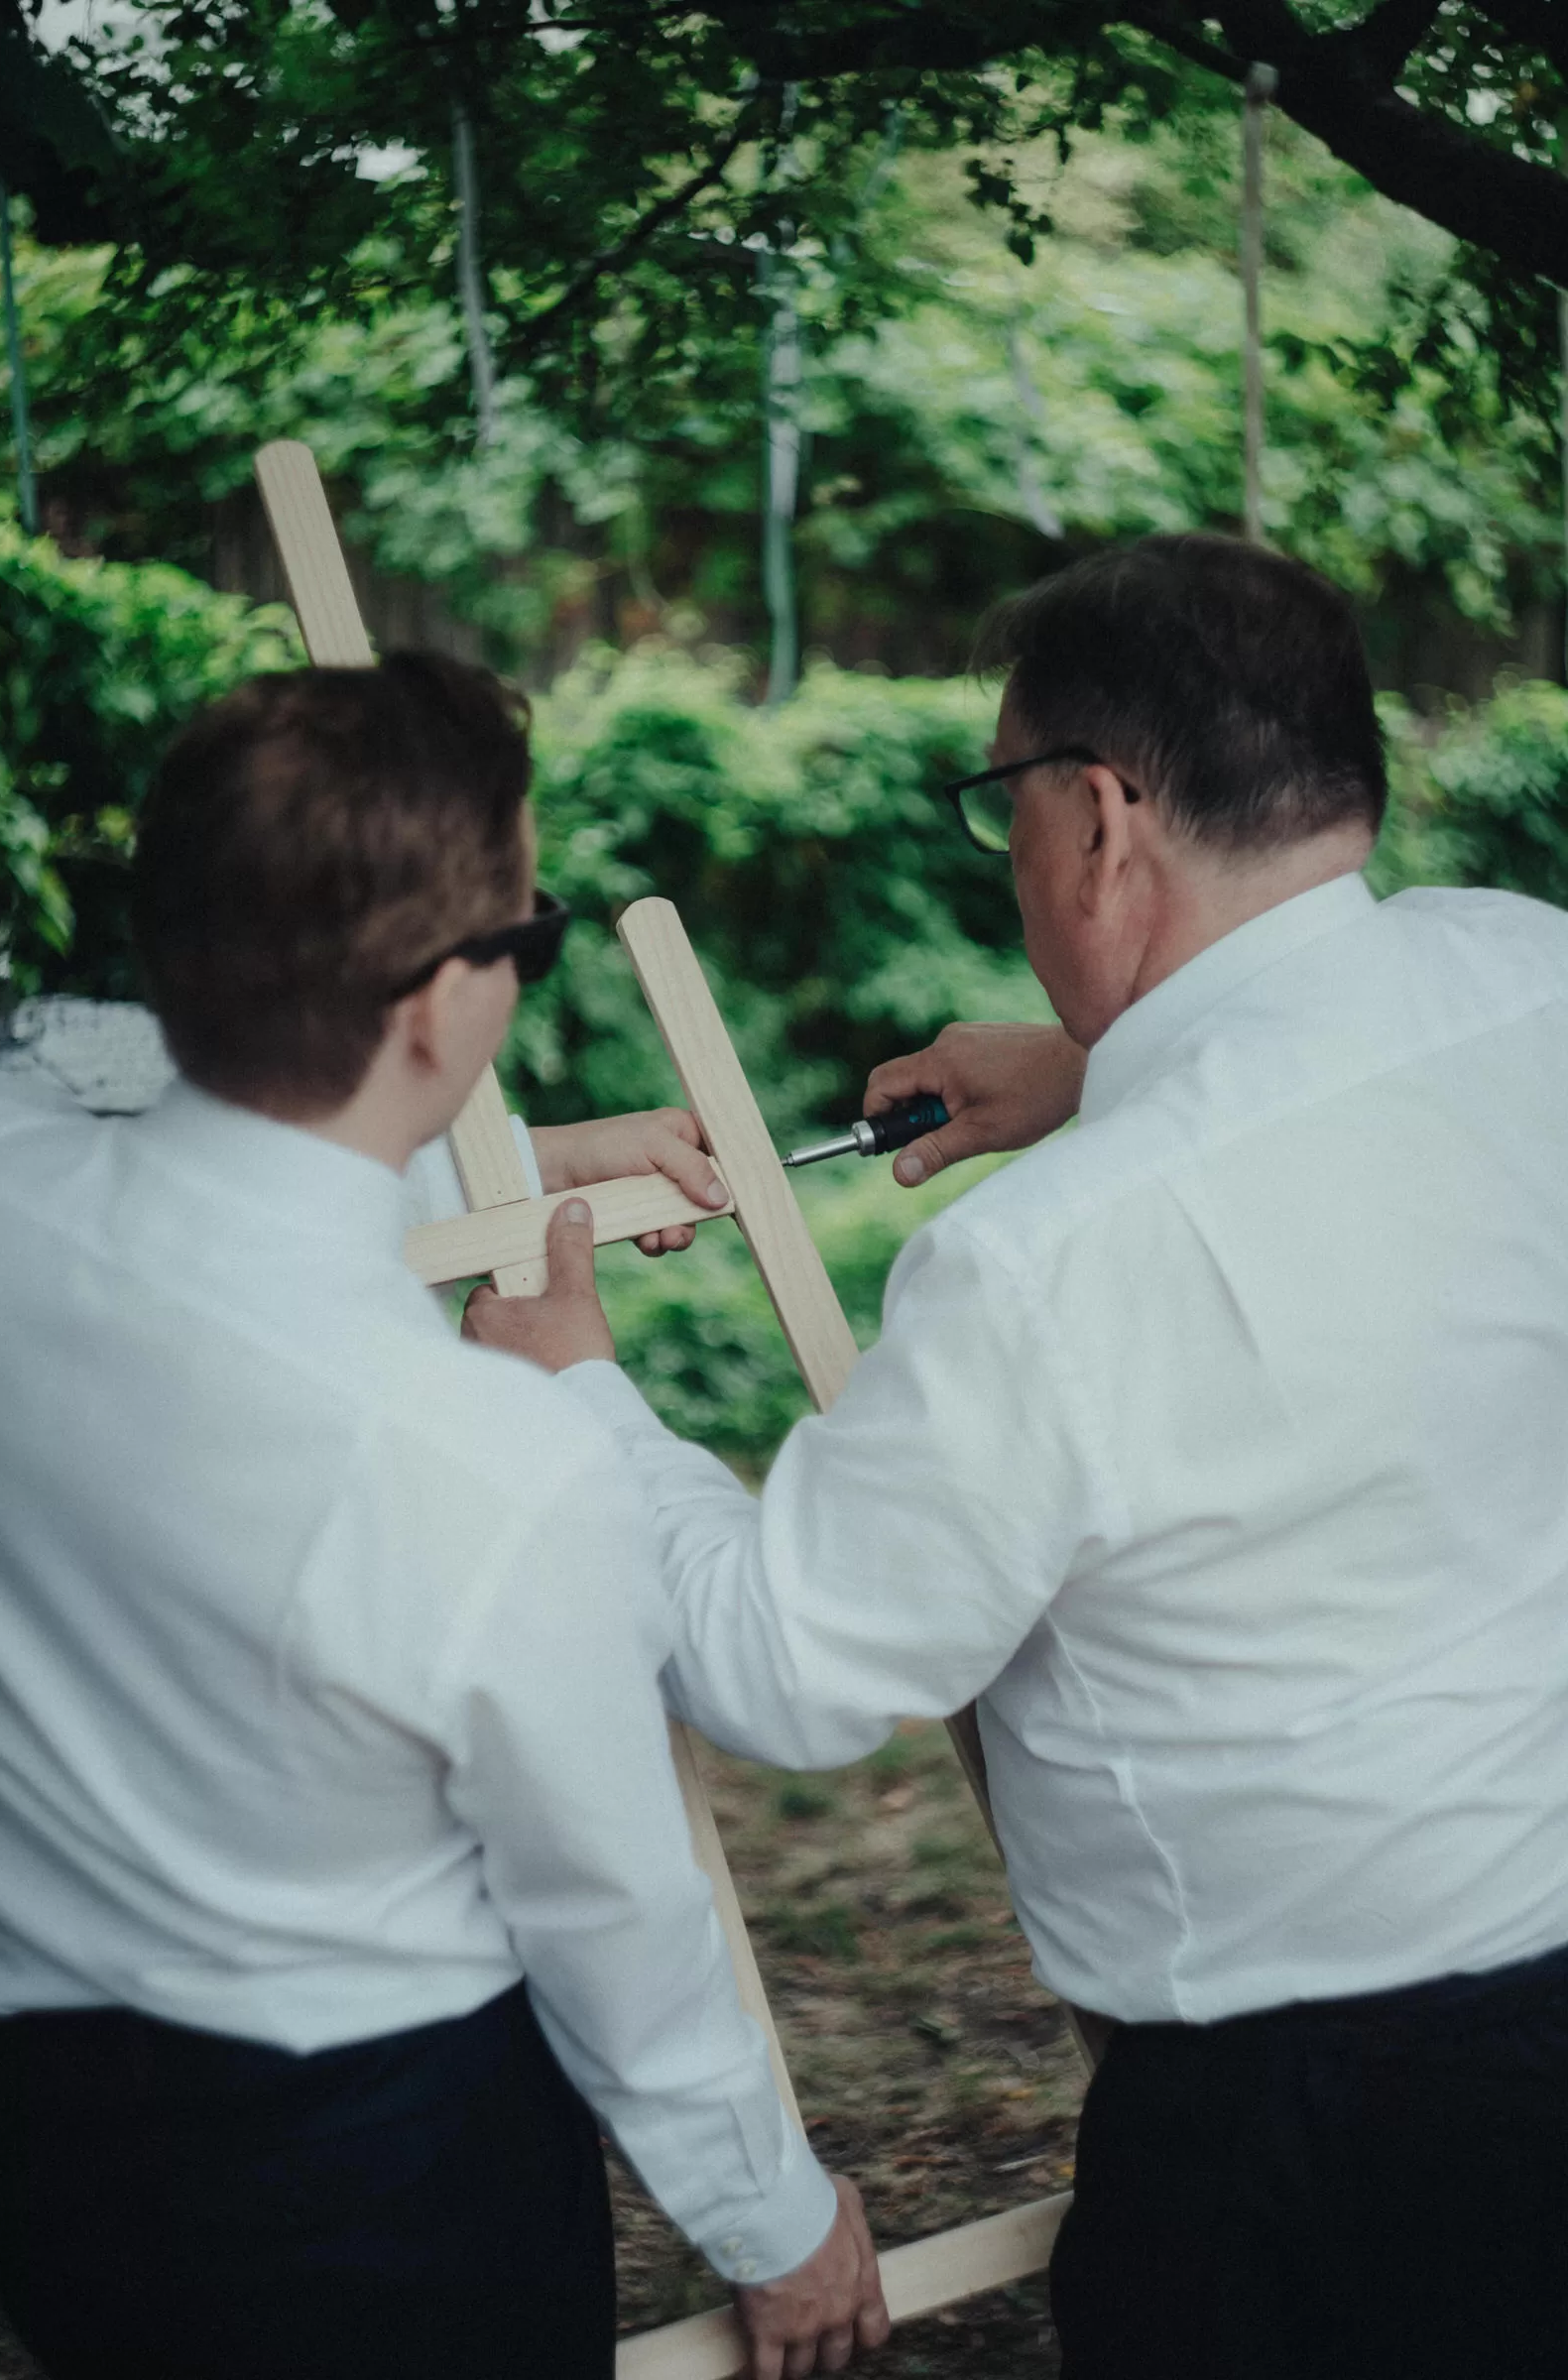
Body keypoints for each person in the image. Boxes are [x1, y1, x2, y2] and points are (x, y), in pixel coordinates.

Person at [466, 535, 1568, 2380]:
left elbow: (781, 1666)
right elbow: (1332, 1083)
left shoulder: (1050, 1263)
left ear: (1101, 820)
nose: (1012, 859)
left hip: (1306, 2141)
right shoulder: (1525, 972)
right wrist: (1097, 1069)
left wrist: (576, 1385)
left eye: (1006, 806)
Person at [0, 653, 890, 2380]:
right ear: (435, 1008)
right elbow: (610, 1908)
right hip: (382, 2190)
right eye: (524, 935)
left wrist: (524, 1161)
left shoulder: (0, 1199)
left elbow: (128, 1099)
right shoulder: (495, 1459)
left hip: (52, 2150)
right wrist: (772, 2221)